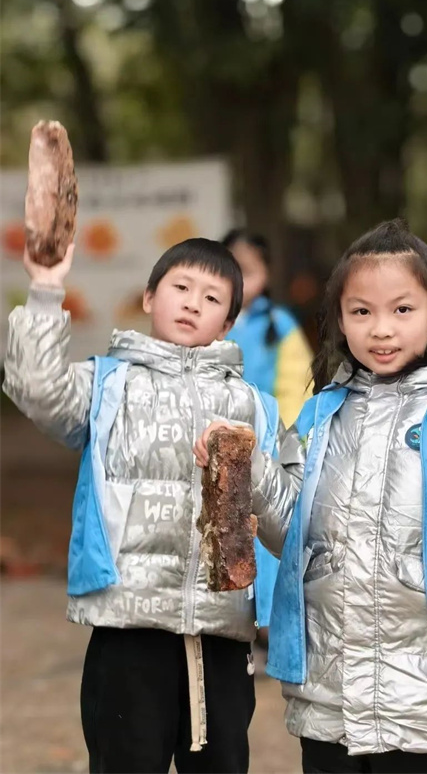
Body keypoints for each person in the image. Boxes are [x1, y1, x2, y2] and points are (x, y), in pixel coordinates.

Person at [196, 218, 427, 774]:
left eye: (402, 309)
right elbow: (289, 537)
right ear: (339, 318)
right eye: (361, 311)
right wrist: (247, 465)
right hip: (332, 703)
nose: (381, 329)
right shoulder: (320, 417)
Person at [3, 237, 281, 774]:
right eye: (181, 287)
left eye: (212, 297)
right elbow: (37, 388)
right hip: (128, 628)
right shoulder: (108, 385)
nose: (193, 303)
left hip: (221, 635)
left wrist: (253, 467)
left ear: (228, 323)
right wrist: (45, 289)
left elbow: (285, 519)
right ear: (150, 296)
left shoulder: (255, 407)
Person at [222, 229, 313, 428]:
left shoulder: (281, 323)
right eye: (230, 271)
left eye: (247, 272)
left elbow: (296, 388)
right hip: (208, 435)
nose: (238, 280)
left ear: (267, 274)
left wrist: (287, 436)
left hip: (267, 435)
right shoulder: (203, 319)